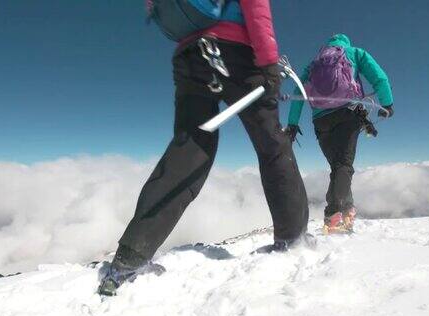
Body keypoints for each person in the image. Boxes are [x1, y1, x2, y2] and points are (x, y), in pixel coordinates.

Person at [98, 0, 309, 296]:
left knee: (189, 149)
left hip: (189, 56)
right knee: (272, 145)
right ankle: (293, 239)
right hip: (237, 53)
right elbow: (256, 7)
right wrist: (269, 65)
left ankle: (130, 257)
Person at [285, 34, 394, 234]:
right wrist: (387, 103)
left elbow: (298, 92)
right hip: (348, 113)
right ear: (346, 43)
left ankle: (346, 209)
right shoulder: (354, 53)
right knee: (344, 165)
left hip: (321, 121)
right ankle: (334, 213)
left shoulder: (313, 64)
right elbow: (379, 77)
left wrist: (292, 124)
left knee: (338, 167)